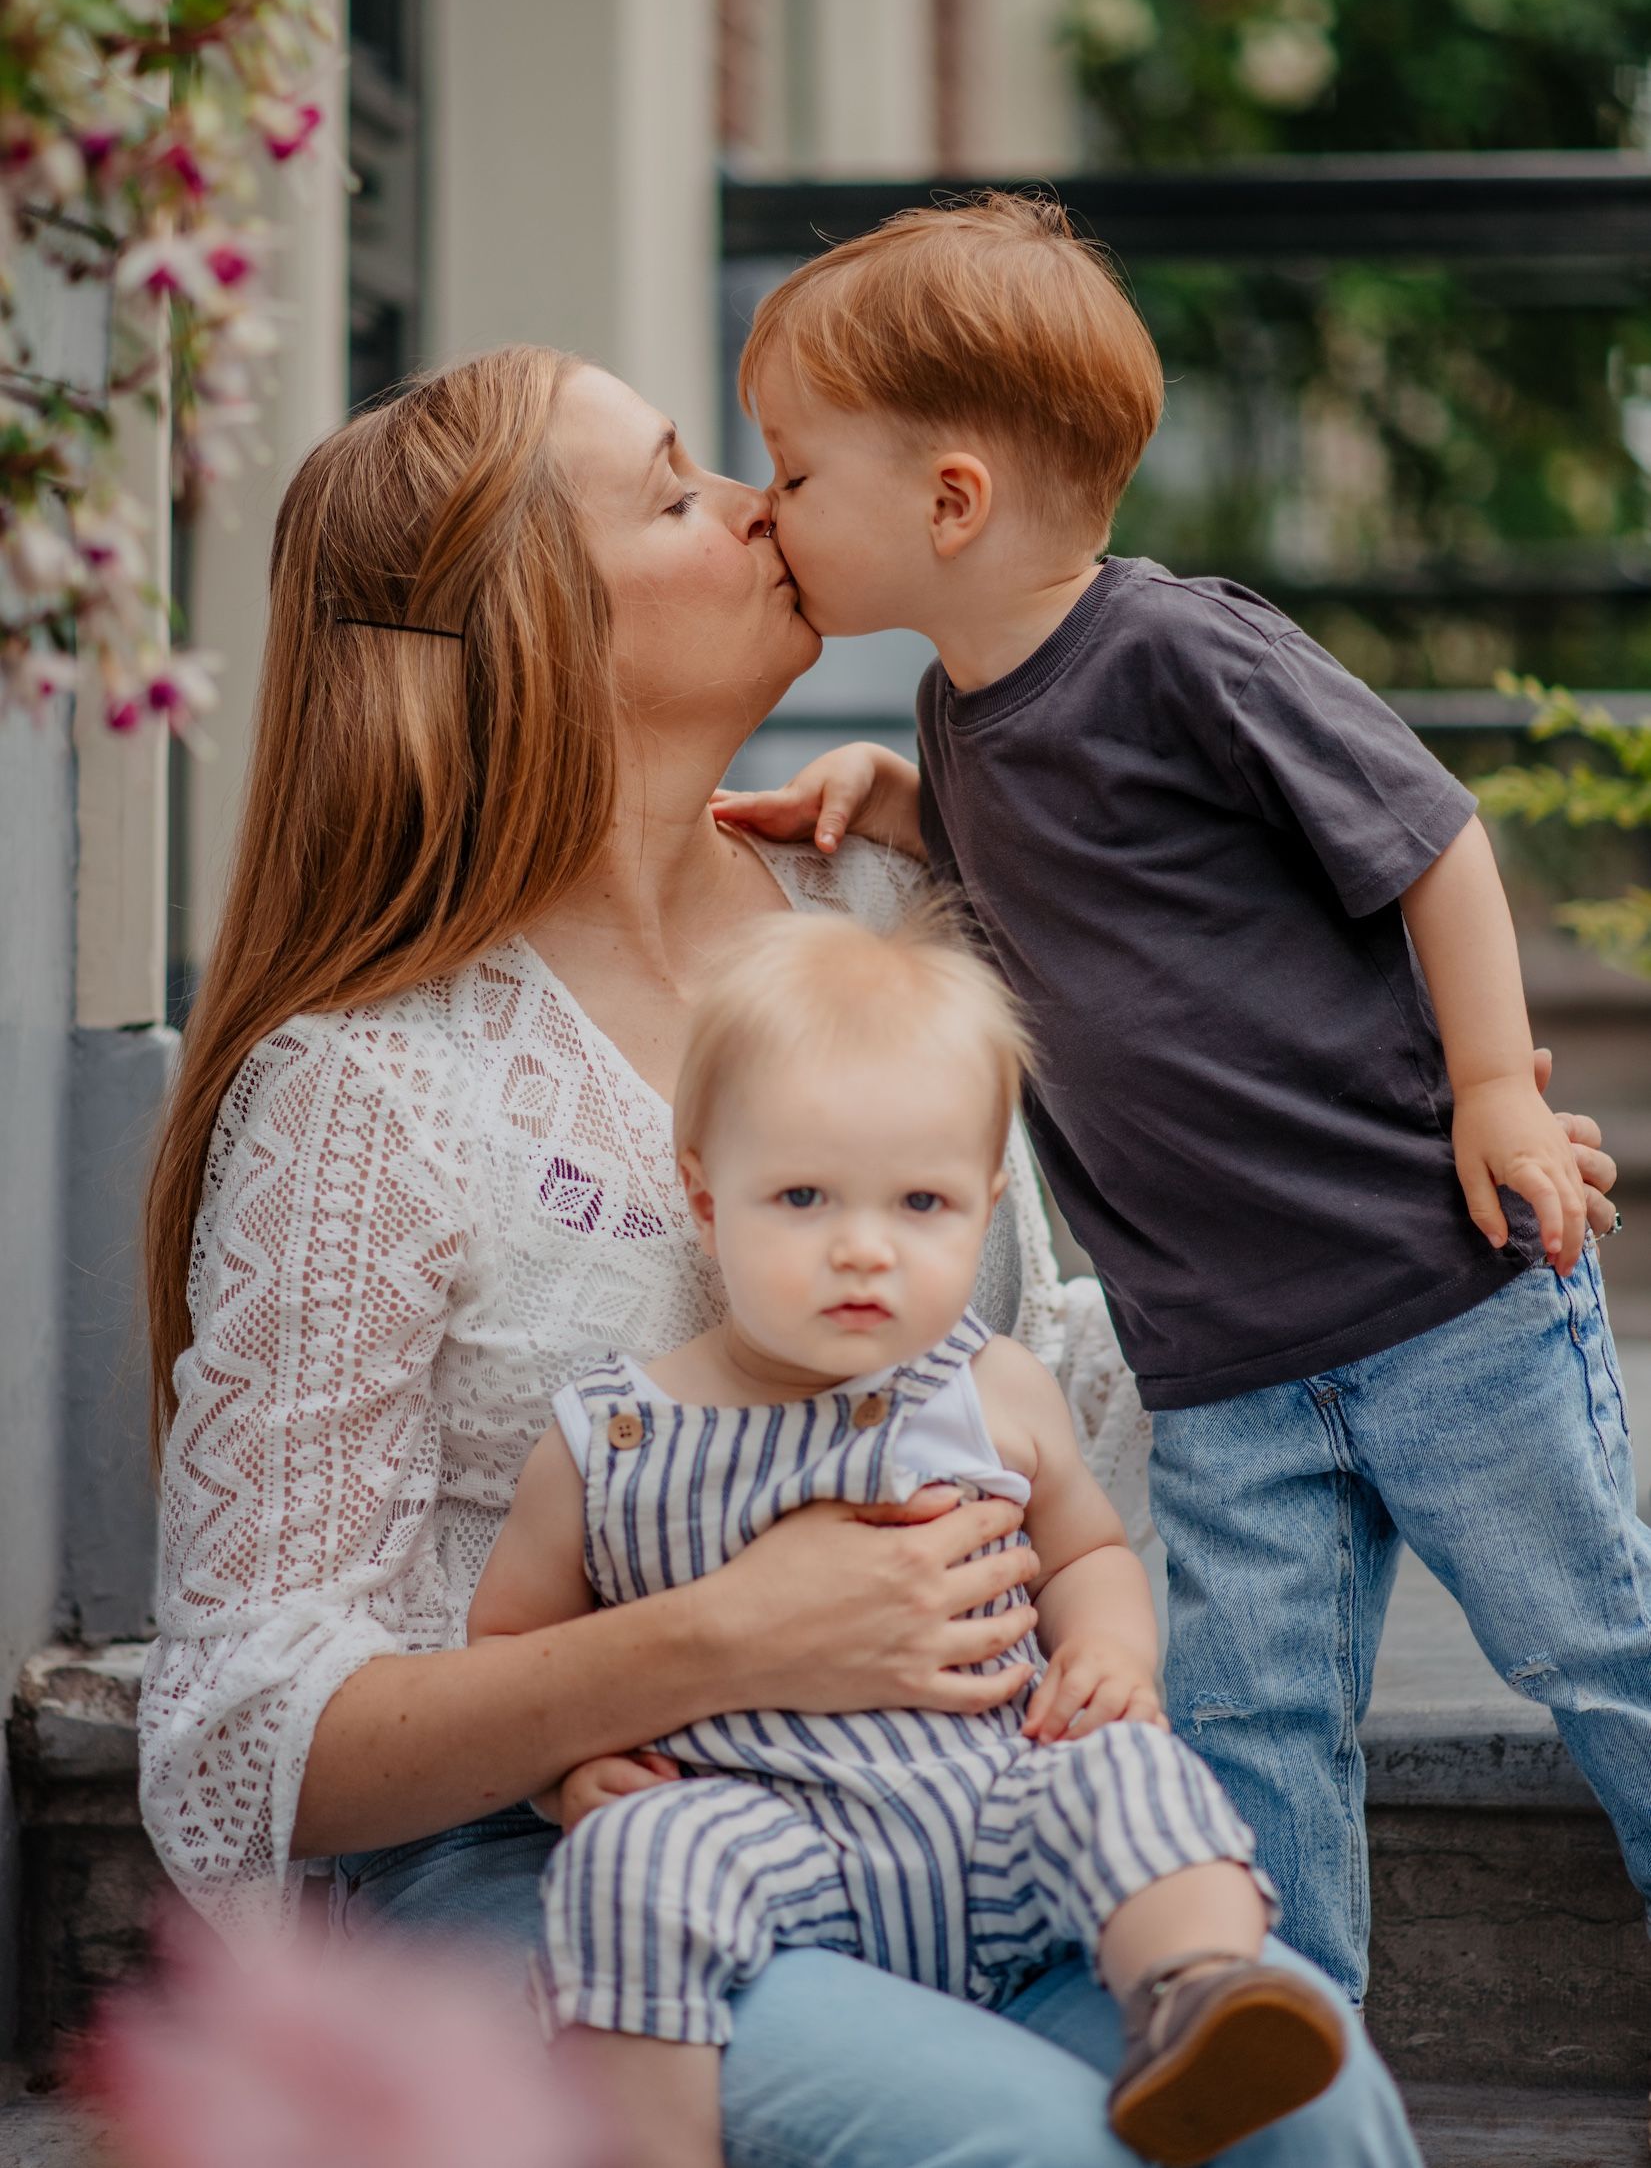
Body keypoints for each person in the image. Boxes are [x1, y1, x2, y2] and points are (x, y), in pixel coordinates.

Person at [138, 345, 1443, 2167]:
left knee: (1314, 2113)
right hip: (578, 1858)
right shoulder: (368, 1091)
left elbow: (1067, 1333)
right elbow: (240, 1727)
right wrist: (719, 1637)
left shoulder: (878, 917)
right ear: (534, 629)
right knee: (1040, 2150)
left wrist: (1431, 1147)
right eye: (678, 491)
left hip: (964, 1805)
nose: (762, 506)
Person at [715, 190, 1651, 2005]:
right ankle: (1287, 2039)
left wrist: (1490, 1088)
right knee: (1250, 1724)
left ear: (951, 500)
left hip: (1432, 1282)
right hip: (1219, 1362)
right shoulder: (952, 722)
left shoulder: (1182, 650)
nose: (767, 510)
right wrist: (894, 801)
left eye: (794, 470)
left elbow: (1431, 838)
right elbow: (1071, 889)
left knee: (1588, 1639)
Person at [472, 909, 1344, 2168]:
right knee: (626, 1861)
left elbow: (1088, 1550)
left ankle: (1195, 1993)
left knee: (1129, 1772)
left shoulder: (993, 1388)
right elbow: (512, 1644)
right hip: (756, 1828)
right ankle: (654, 2141)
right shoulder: (610, 1434)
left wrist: (1110, 1652)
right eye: (802, 1195)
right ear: (704, 1192)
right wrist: (568, 1777)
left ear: (985, 1206)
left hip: (999, 1802)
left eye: (922, 1200)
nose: (862, 1246)